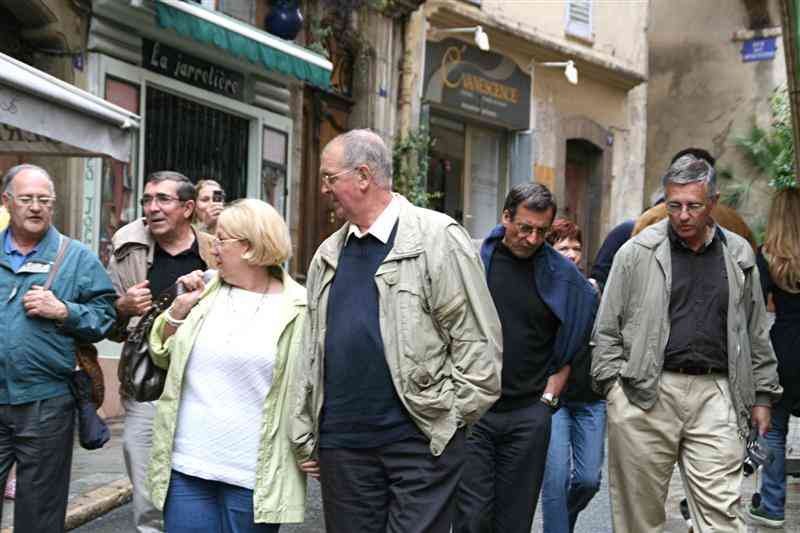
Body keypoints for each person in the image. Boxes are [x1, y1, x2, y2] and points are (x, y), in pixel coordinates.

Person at [291, 129, 502, 533]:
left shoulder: (437, 237)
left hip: (418, 441)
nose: (323, 189)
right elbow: (311, 350)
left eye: (329, 178)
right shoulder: (327, 255)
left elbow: (477, 341)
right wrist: (307, 429)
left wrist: (451, 419)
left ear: (364, 176)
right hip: (344, 446)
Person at [592, 154, 782, 533]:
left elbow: (755, 330)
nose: (682, 215)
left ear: (712, 202)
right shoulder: (635, 253)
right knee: (637, 519)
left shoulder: (739, 253)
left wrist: (763, 395)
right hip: (645, 391)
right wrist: (615, 391)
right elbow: (606, 330)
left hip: (718, 391)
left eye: (693, 206)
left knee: (722, 516)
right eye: (673, 205)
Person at [146, 199, 306, 533]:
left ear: (249, 247)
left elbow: (311, 386)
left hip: (252, 473)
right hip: (188, 465)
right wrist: (177, 311)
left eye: (221, 239)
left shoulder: (299, 308)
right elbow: (162, 354)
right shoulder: (204, 291)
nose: (212, 246)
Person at [455, 185, 597, 533]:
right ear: (506, 217)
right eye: (524, 228)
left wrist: (548, 399)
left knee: (514, 522)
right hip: (476, 411)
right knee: (472, 518)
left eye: (541, 231)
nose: (532, 238)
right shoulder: (475, 261)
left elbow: (576, 336)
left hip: (528, 413)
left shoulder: (561, 277)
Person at [0, 164, 117, 532]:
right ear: (7, 202)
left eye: (44, 200)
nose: (35, 207)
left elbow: (106, 316)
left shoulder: (76, 257)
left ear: (53, 205)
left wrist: (64, 310)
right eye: (26, 199)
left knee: (39, 514)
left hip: (46, 403)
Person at [107, 171, 216, 533]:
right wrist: (122, 307)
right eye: (147, 200)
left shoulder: (216, 251)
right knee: (148, 495)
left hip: (205, 388)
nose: (152, 208)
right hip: (148, 386)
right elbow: (106, 323)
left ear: (187, 208)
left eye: (162, 200)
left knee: (200, 486)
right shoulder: (128, 248)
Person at [540, 218, 604, 533]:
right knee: (555, 480)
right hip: (554, 399)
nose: (572, 254)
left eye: (576, 247)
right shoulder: (540, 290)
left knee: (589, 479)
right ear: (549, 250)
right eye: (563, 247)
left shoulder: (591, 292)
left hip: (591, 398)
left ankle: (562, 523)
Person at [746, 187, 800, 529]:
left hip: (785, 348)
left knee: (775, 428)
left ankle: (771, 505)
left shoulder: (766, 255)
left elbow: (753, 307)